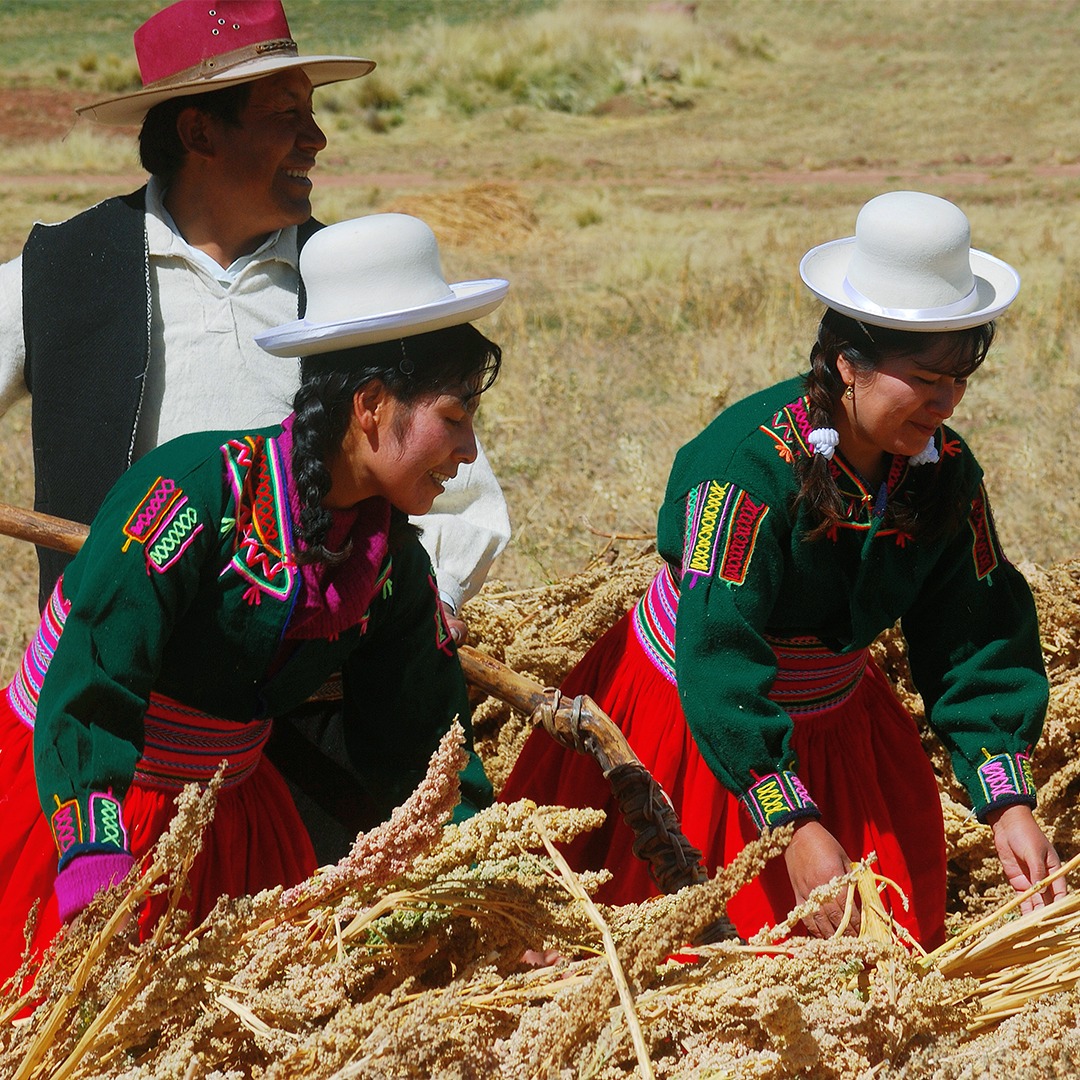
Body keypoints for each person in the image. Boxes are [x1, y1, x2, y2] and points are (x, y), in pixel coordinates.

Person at [501, 190, 1065, 950]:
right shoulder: (746, 472)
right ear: (849, 362)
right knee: (704, 957)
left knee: (882, 954)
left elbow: (976, 637)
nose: (947, 400)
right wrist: (790, 821)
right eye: (925, 377)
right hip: (705, 723)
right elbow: (718, 650)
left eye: (961, 376)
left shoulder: (944, 474)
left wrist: (1007, 800)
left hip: (840, 722)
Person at [0, 211, 507, 984]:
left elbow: (427, 749)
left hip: (229, 829)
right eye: (456, 417)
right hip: (78, 798)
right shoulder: (188, 496)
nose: (469, 451)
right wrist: (96, 868)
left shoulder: (392, 564)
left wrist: (493, 888)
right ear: (371, 405)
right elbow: (92, 681)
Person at [0, 0, 511, 638]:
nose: (317, 138)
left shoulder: (354, 283)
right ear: (199, 133)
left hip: (305, 690)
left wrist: (420, 600)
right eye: (286, 113)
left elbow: (459, 490)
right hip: (111, 675)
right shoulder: (64, 270)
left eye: (313, 111)